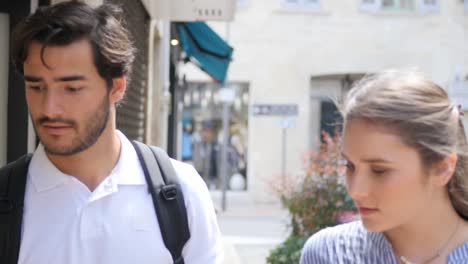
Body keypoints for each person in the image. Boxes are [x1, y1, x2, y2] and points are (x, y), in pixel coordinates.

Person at [8, 2, 222, 263]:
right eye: (37, 87)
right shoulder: (7, 197)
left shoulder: (181, 192)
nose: (50, 109)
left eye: (72, 88)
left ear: (117, 87)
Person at [300, 70, 468, 263]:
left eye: (379, 170)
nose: (355, 191)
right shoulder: (327, 254)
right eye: (350, 166)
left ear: (442, 168)